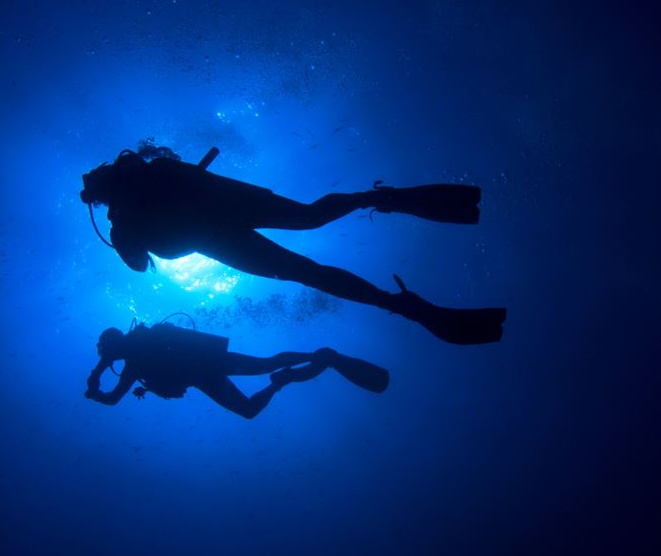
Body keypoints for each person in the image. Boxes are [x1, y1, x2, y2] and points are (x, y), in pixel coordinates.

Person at [80, 146, 507, 345]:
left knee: (308, 271)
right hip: (228, 209)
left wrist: (121, 234)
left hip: (219, 237)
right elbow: (195, 178)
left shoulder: (125, 224)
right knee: (309, 218)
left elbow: (141, 264)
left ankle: (398, 303)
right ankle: (379, 199)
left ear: (101, 197)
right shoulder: (149, 175)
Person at [84, 322, 390, 419]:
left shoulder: (137, 351)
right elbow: (112, 399)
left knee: (265, 368)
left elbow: (110, 398)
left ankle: (308, 362)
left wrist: (96, 380)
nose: (108, 356)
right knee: (257, 390)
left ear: (114, 344)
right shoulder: (132, 365)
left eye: (107, 350)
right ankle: (285, 378)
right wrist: (98, 388)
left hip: (206, 366)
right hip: (206, 371)